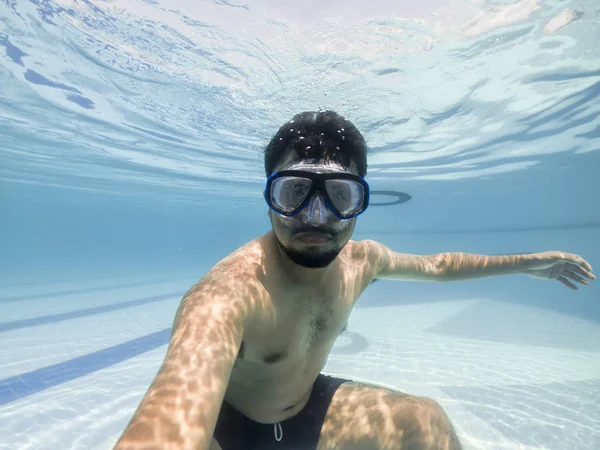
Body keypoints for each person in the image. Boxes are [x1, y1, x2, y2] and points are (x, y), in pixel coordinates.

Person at [113, 110, 595, 450]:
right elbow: (168, 428)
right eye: (295, 192)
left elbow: (440, 265)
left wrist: (529, 262)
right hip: (229, 432)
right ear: (269, 200)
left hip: (305, 410)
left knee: (426, 424)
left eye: (338, 195)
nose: (316, 216)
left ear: (360, 202)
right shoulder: (226, 297)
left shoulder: (362, 261)